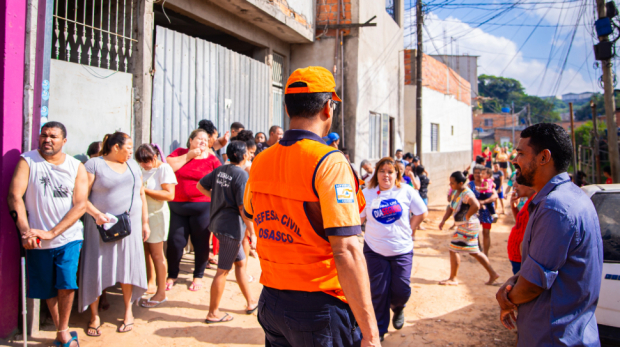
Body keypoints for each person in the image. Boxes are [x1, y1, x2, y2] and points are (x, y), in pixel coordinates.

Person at [244, 66, 381, 346]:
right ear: (328, 108)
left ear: (286, 107)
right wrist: (371, 333)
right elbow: (347, 250)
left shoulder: (260, 161)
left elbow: (249, 212)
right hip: (318, 307)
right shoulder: (329, 162)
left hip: (272, 301)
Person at [496, 123, 602, 346]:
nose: (515, 160)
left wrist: (506, 298)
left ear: (544, 157)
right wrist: (513, 281)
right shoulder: (567, 197)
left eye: (521, 153)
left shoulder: (555, 207)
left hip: (553, 337)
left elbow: (534, 283)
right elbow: (542, 265)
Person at [8, 122, 87, 347]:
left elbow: (80, 205)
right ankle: (62, 330)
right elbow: (14, 197)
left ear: (64, 141)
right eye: (44, 135)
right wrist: (25, 232)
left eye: (53, 136)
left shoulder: (76, 166)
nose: (47, 140)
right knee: (47, 287)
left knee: (66, 282)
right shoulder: (28, 161)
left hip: (68, 237)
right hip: (36, 239)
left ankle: (62, 331)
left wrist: (52, 233)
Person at [79, 132, 150, 335]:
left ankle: (129, 312)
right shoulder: (94, 165)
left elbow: (141, 194)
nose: (131, 151)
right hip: (100, 227)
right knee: (96, 267)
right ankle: (94, 316)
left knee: (127, 266)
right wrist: (96, 214)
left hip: (130, 226)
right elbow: (81, 197)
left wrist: (145, 222)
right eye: (128, 147)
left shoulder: (133, 166)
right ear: (116, 147)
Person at [360, 157, 427, 340]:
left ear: (396, 174)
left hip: (402, 250)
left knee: (401, 290)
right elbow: (359, 219)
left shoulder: (406, 191)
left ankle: (398, 308)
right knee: (378, 292)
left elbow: (421, 212)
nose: (386, 175)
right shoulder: (368, 193)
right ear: (376, 173)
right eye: (382, 171)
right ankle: (379, 332)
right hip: (374, 250)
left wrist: (409, 229)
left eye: (390, 172)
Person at [197, 141, 258, 323]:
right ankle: (213, 313)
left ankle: (250, 301)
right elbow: (242, 207)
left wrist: (218, 199)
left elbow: (200, 186)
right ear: (242, 156)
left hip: (219, 226)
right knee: (222, 271)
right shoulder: (241, 175)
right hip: (231, 230)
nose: (249, 155)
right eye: (248, 153)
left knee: (240, 264)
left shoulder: (220, 170)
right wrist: (252, 232)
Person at [166, 124, 221, 291]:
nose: (203, 142)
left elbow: (220, 178)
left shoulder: (212, 159)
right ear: (191, 140)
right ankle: (172, 274)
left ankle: (198, 275)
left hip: (202, 207)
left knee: (201, 242)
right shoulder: (180, 153)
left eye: (206, 140)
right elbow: (168, 167)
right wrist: (189, 156)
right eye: (199, 139)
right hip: (177, 206)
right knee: (176, 242)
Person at [437, 171, 499, 286]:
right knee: (475, 251)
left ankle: (453, 278)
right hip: (466, 225)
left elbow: (476, 205)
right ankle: (493, 273)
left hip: (468, 226)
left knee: (453, 248)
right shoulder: (457, 192)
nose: (451, 185)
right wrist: (443, 220)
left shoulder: (467, 193)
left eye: (452, 183)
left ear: (461, 183)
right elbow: (450, 208)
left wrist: (467, 216)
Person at [134, 144, 177, 308]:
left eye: (147, 161)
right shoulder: (142, 170)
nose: (145, 165)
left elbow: (169, 195)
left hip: (157, 216)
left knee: (157, 254)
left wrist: (144, 191)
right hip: (143, 215)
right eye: (142, 162)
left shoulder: (164, 169)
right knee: (146, 251)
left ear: (155, 156)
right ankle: (150, 283)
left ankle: (161, 292)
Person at [506, 182, 536, 275]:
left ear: (530, 185)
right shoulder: (530, 201)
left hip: (522, 259)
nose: (514, 185)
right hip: (517, 257)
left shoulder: (536, 202)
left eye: (519, 182)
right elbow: (521, 224)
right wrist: (514, 207)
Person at [469, 165, 498, 255]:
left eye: (479, 172)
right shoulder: (470, 185)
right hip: (475, 212)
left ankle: (486, 254)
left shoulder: (489, 183)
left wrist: (483, 202)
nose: (477, 174)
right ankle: (478, 249)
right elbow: (468, 197)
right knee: (475, 233)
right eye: (475, 172)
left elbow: (495, 196)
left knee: (486, 233)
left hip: (486, 212)